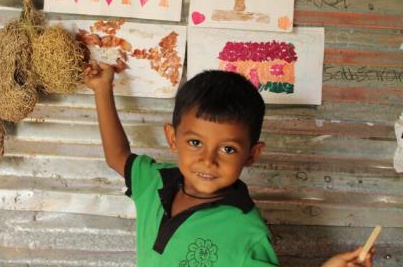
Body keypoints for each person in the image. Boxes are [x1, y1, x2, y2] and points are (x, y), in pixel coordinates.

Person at [86, 64, 374, 267]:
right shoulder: (155, 181)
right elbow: (117, 156)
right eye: (195, 143)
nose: (208, 160)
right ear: (173, 139)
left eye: (227, 149)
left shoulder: (247, 230)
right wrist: (102, 89)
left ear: (251, 154)